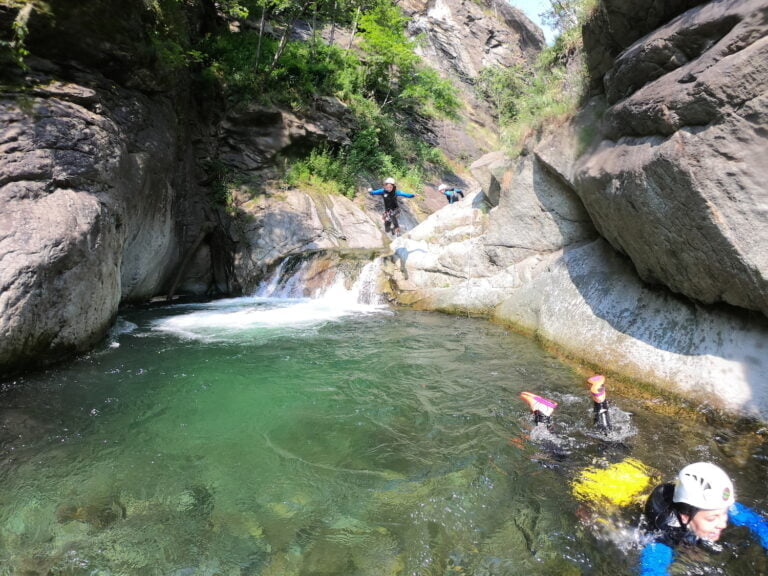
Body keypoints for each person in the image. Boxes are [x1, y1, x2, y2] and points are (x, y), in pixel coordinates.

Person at [639, 461, 768, 575]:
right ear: (685, 517)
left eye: (725, 512)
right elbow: (653, 571)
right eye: (712, 519)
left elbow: (755, 522)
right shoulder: (660, 540)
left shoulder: (713, 505)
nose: (723, 524)